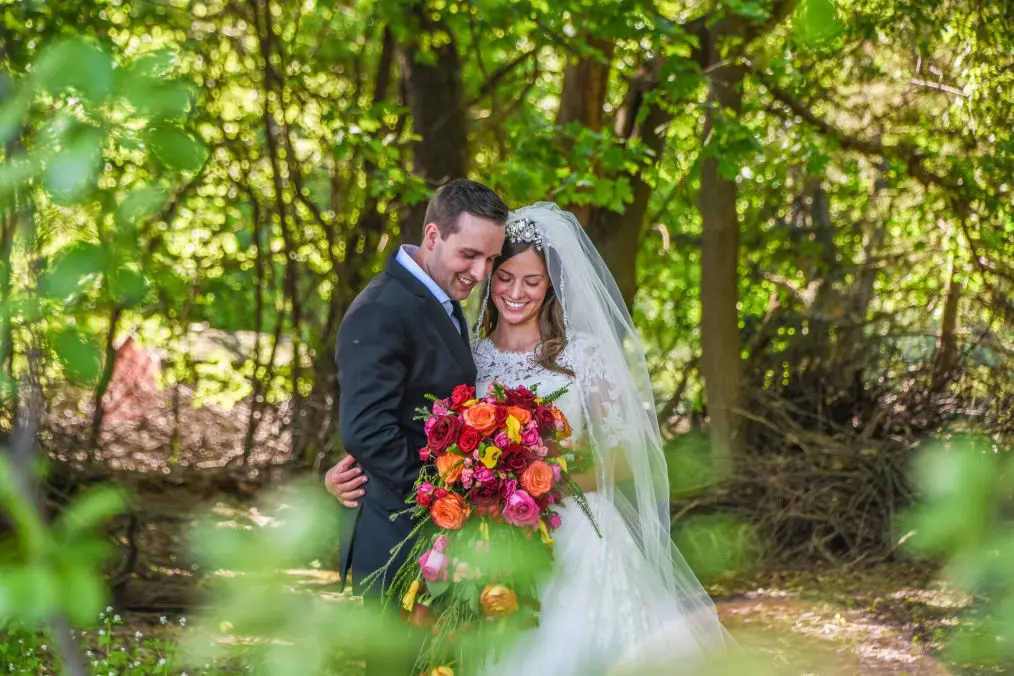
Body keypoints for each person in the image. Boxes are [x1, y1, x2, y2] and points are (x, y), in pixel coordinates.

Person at [328, 202, 732, 674]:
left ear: (552, 286)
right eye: (504, 277)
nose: (514, 292)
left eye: (532, 281)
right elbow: (407, 420)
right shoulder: (469, 354)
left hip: (578, 536)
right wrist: (343, 471)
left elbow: (629, 455)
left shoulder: (585, 355)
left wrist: (543, 482)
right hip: (487, 539)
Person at [327, 179, 508, 675]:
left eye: (490, 260)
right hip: (398, 538)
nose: (480, 272)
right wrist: (450, 501)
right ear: (432, 236)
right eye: (469, 254)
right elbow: (367, 431)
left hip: (430, 537)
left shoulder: (436, 302)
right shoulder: (383, 310)